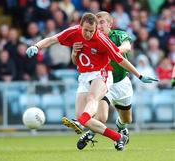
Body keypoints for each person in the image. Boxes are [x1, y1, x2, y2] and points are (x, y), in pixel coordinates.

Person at [26, 12, 157, 150]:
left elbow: (121, 59)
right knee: (91, 117)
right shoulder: (73, 32)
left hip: (103, 74)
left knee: (94, 100)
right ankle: (118, 137)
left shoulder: (103, 39)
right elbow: (52, 39)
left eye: (92, 30)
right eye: (86, 30)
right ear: (80, 26)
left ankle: (81, 122)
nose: (89, 34)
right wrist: (36, 46)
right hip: (85, 76)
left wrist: (139, 75)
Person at [71, 11, 135, 150]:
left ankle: (121, 127)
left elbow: (127, 47)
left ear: (110, 24)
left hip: (122, 83)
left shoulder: (118, 35)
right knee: (101, 117)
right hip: (104, 81)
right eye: (97, 23)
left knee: (127, 119)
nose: (99, 26)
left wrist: (112, 50)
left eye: (102, 22)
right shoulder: (91, 39)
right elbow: (78, 62)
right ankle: (90, 132)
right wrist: (74, 53)